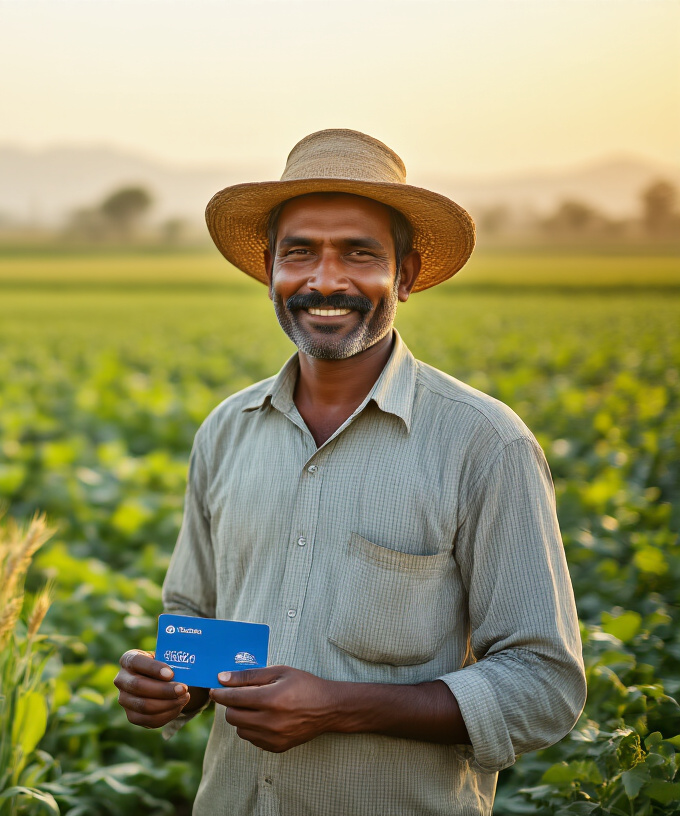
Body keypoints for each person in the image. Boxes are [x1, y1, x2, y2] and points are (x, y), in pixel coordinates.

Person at [112, 129, 585, 815]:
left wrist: (341, 707)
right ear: (269, 269)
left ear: (407, 274)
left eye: (359, 253)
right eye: (299, 252)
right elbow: (196, 619)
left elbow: (544, 687)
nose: (325, 281)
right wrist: (177, 686)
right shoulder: (227, 430)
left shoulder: (484, 443)